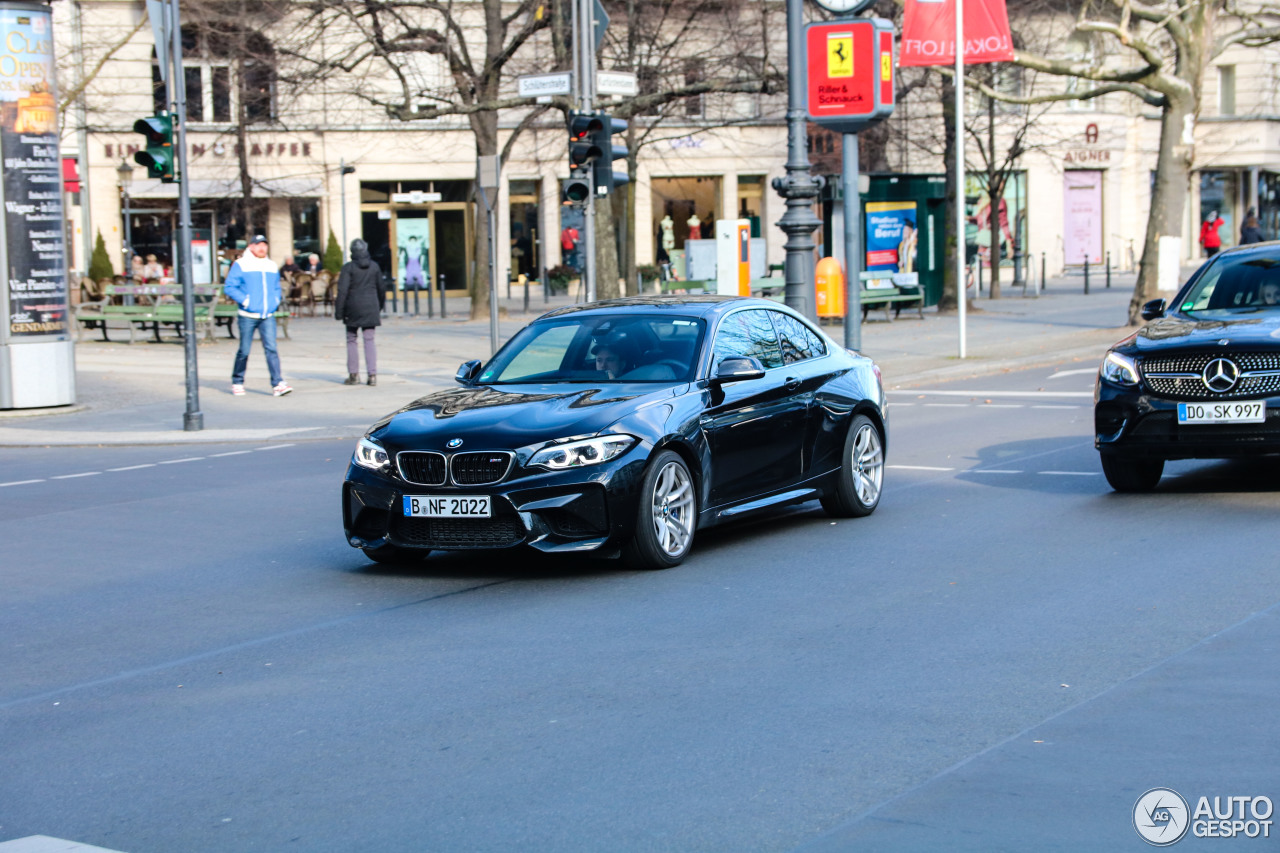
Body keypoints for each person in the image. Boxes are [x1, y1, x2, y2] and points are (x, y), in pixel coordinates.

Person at [223, 234, 291, 397]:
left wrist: (275, 301)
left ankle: (277, 383)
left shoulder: (271, 265)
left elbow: (276, 287)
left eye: (264, 245)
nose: (262, 248)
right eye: (258, 245)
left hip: (267, 314)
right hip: (247, 314)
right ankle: (237, 381)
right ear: (251, 247)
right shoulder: (241, 264)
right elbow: (230, 287)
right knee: (244, 350)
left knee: (271, 348)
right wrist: (246, 301)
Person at [335, 238, 385, 386]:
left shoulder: (348, 268)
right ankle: (372, 375)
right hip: (371, 306)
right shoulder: (374, 267)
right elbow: (381, 288)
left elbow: (342, 291)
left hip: (353, 307)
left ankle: (354, 375)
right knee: (369, 340)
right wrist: (379, 306)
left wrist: (339, 311)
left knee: (351, 339)